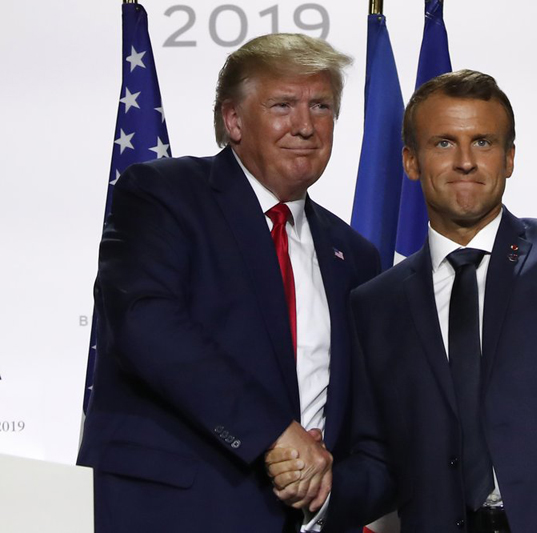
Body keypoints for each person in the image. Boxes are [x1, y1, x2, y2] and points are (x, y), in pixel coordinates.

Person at [268, 69, 537, 532]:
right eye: (443, 143)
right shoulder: (375, 303)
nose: (465, 161)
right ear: (411, 161)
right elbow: (380, 458)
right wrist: (318, 493)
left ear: (509, 158)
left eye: (483, 142)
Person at [77, 34, 379, 532]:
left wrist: (328, 489)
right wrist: (272, 434)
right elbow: (147, 325)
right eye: (283, 105)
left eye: (321, 106)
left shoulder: (356, 257)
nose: (305, 125)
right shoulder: (162, 195)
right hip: (171, 513)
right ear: (233, 120)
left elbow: (366, 422)